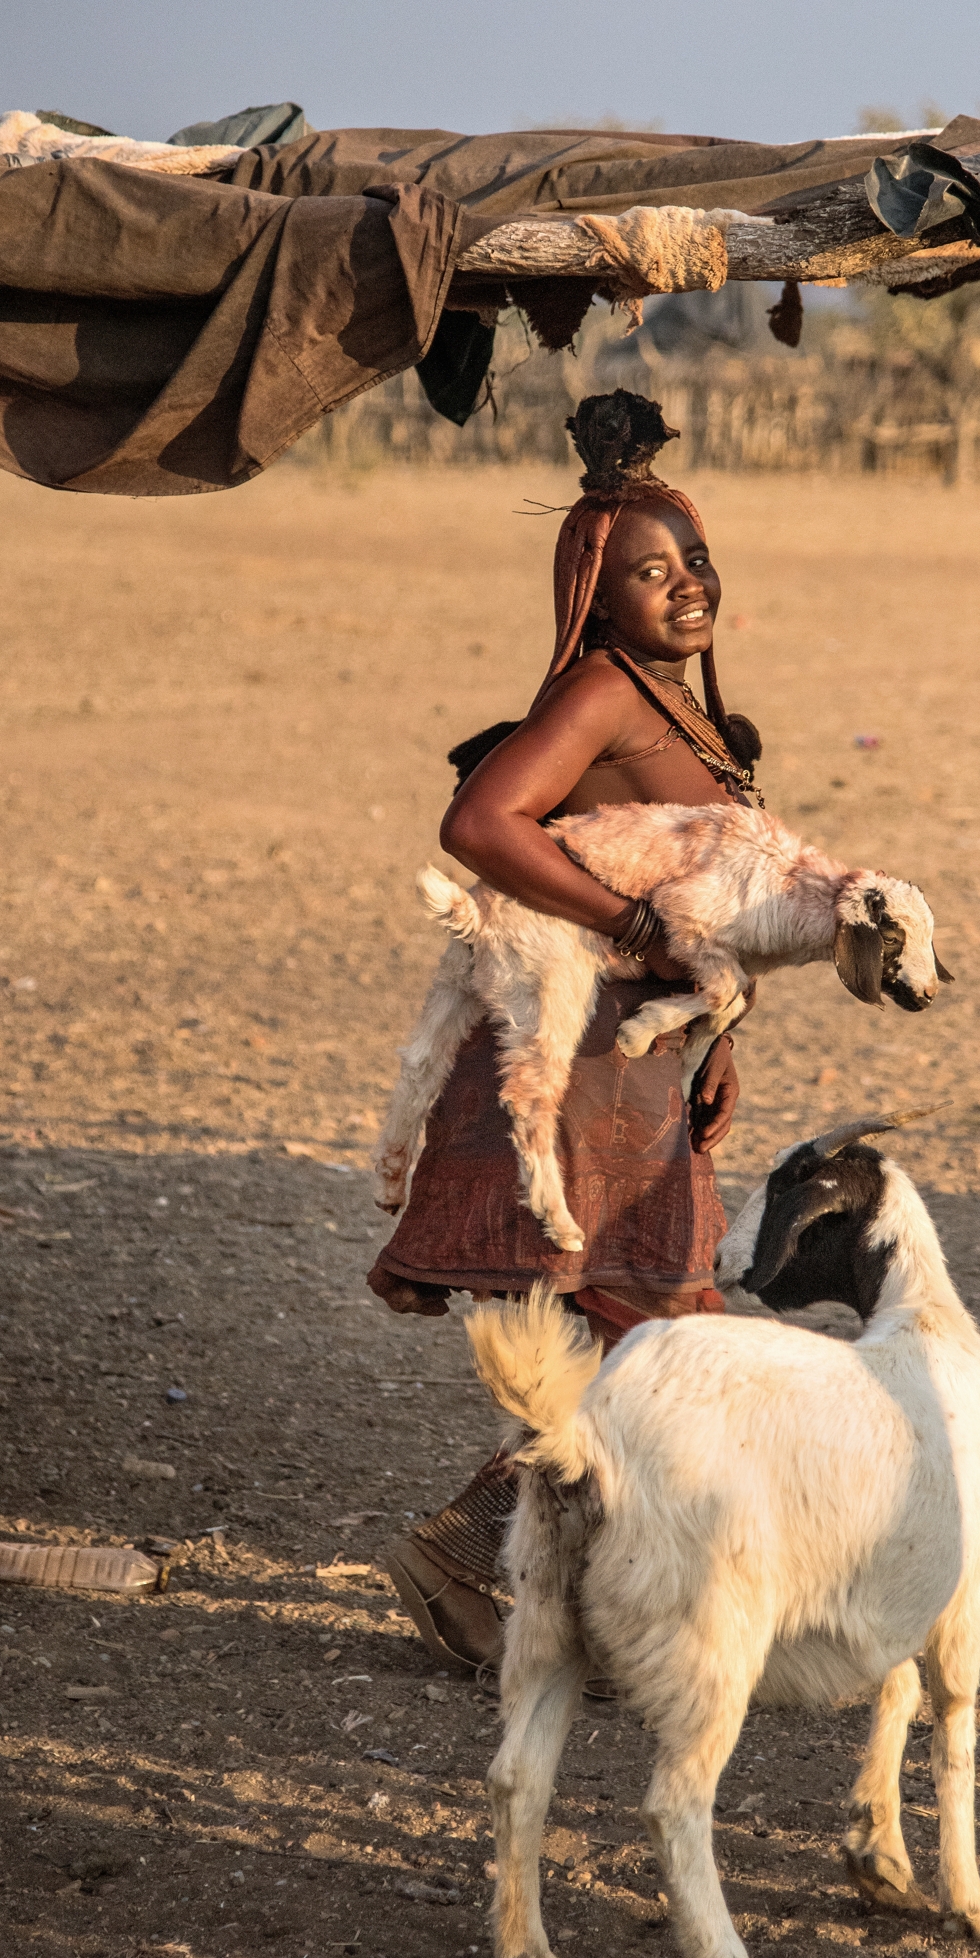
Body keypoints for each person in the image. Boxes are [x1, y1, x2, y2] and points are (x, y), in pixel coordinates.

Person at [370, 389, 762, 1672]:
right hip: (577, 1073)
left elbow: (702, 901)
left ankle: (532, 1576)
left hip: (639, 1068)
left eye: (694, 559)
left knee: (636, 1341)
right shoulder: (600, 692)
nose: (685, 586)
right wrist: (635, 930)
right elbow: (482, 824)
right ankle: (482, 1549)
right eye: (651, 573)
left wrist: (708, 1034)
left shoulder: (676, 704)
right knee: (655, 1340)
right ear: (598, 600)